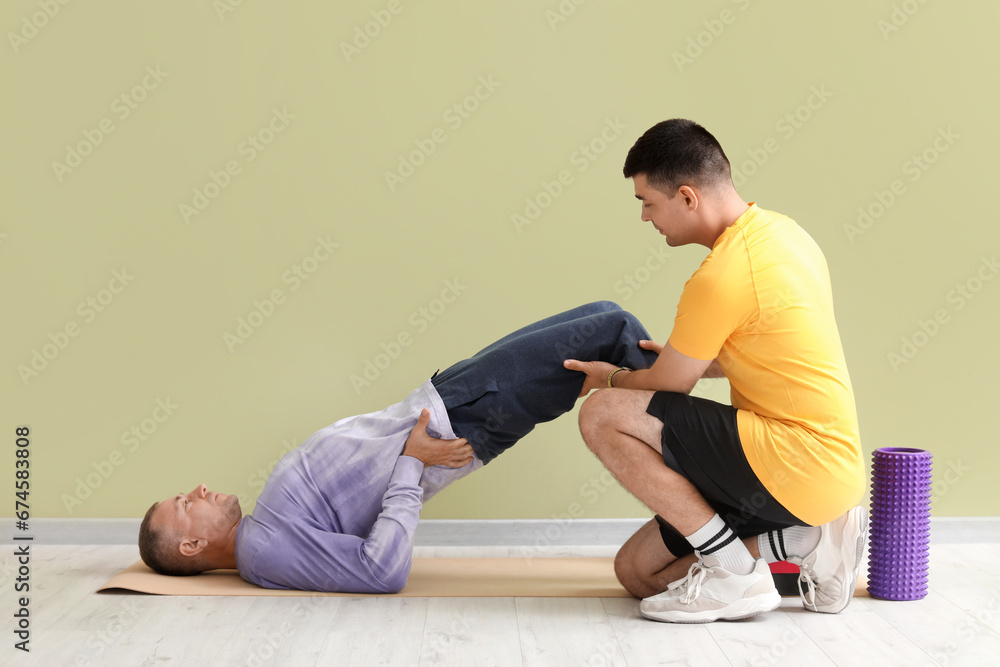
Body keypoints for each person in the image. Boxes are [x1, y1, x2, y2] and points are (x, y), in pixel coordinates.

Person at [565, 119, 868, 623]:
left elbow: (667, 386)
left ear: (687, 197)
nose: (644, 217)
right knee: (639, 574)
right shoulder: (784, 234)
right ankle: (809, 540)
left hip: (795, 461)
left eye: (647, 202)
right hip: (811, 473)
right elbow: (771, 349)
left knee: (602, 414)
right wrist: (687, 356)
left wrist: (609, 377)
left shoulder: (722, 275)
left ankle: (732, 573)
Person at [138, 301, 659, 593]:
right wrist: (413, 459)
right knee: (613, 329)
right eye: (186, 504)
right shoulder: (262, 552)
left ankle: (704, 487)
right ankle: (713, 500)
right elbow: (380, 570)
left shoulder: (263, 531)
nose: (199, 490)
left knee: (606, 320)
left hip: (451, 397)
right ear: (191, 547)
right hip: (465, 415)